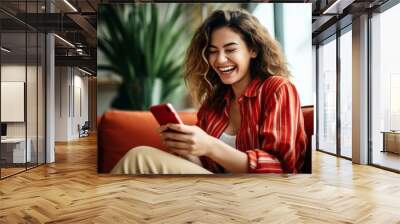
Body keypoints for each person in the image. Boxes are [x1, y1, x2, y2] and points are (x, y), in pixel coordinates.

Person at [111, 9, 307, 174]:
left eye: (230, 49)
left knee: (140, 157)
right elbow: (205, 170)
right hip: (215, 194)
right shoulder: (213, 104)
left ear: (253, 50)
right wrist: (187, 149)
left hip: (263, 195)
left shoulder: (278, 89)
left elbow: (281, 168)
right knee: (140, 160)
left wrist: (211, 146)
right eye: (213, 51)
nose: (219, 60)